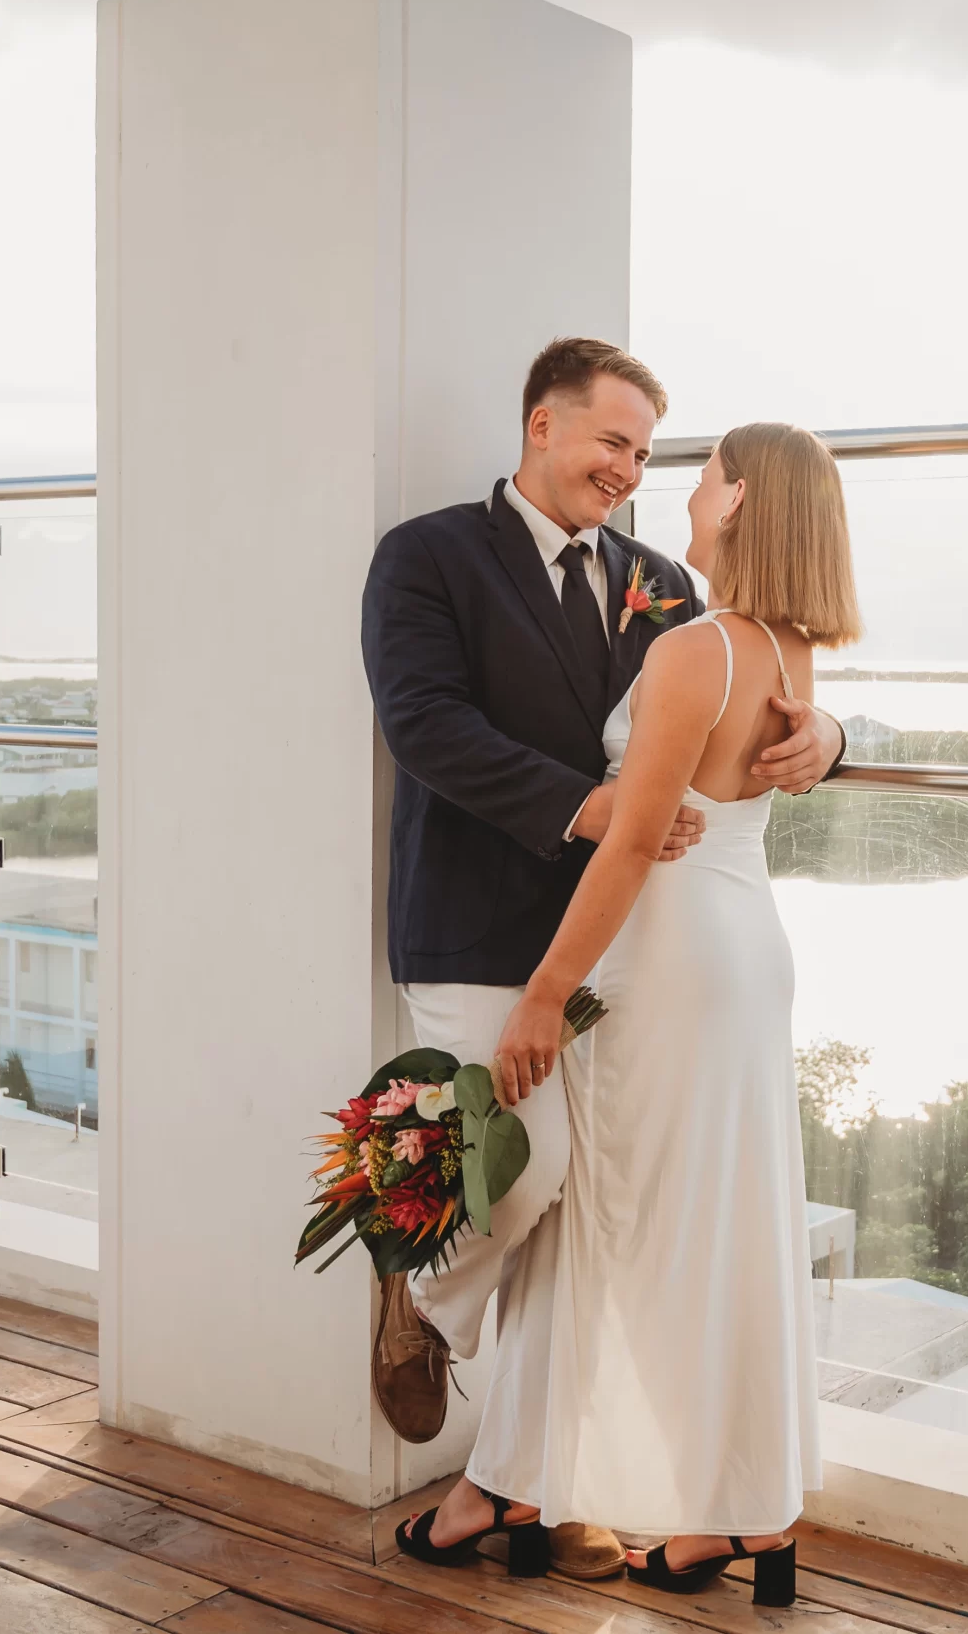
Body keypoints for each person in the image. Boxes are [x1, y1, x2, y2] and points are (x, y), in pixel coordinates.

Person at [360, 342, 845, 1583]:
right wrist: (587, 811)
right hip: (486, 928)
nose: (628, 473)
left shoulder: (665, 584)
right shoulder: (426, 557)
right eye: (611, 444)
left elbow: (746, 698)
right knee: (520, 1188)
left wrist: (833, 735)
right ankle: (422, 1297)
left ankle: (517, 1484)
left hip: (634, 950)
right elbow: (425, 727)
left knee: (589, 1229)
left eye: (647, 454)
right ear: (540, 425)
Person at [474, 421, 860, 1605]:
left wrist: (543, 995)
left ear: (738, 500)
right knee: (730, 1230)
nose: (683, 497)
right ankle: (745, 1513)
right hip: (748, 951)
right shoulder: (789, 652)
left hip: (673, 952)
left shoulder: (700, 648)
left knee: (620, 1225)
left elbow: (637, 839)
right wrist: (834, 733)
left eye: (700, 478)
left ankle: (582, 1488)